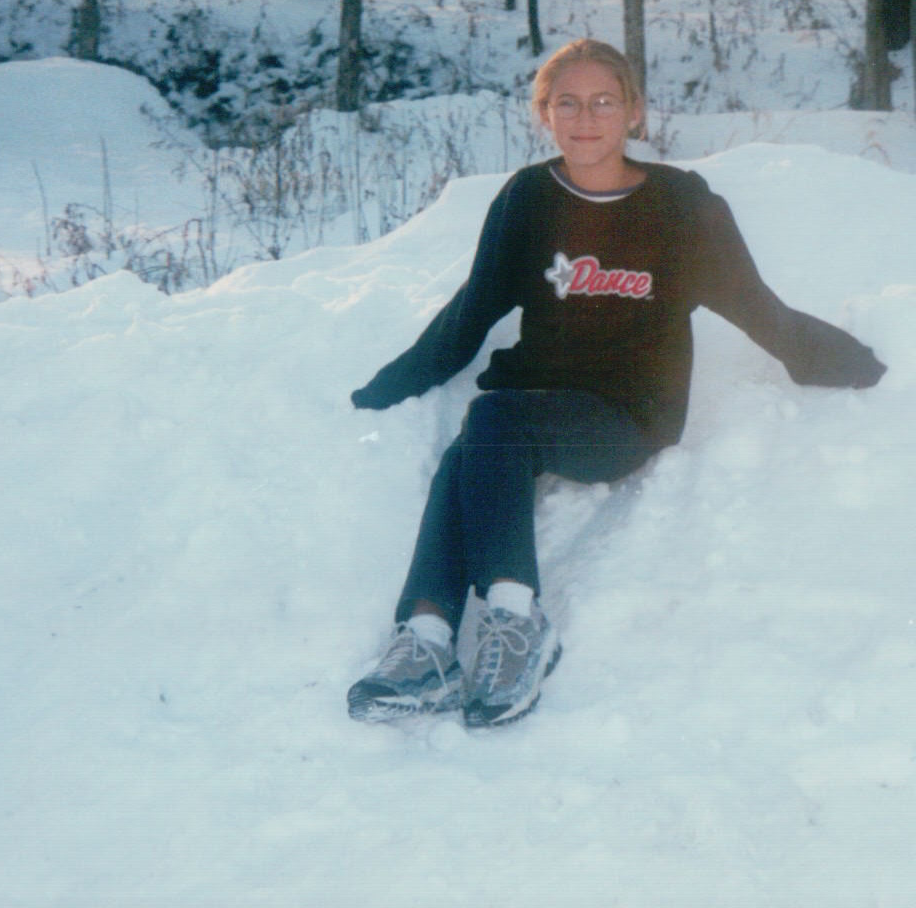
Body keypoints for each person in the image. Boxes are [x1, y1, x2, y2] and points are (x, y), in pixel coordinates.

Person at [346, 38, 886, 728]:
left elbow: (756, 305)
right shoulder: (527, 199)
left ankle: (516, 620)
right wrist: (390, 386)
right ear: (544, 114)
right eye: (567, 103)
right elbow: (472, 310)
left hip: (629, 415)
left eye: (604, 101)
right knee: (475, 443)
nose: (585, 119)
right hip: (530, 401)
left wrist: (851, 364)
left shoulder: (681, 205)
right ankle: (426, 639)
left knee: (492, 422)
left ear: (634, 111)